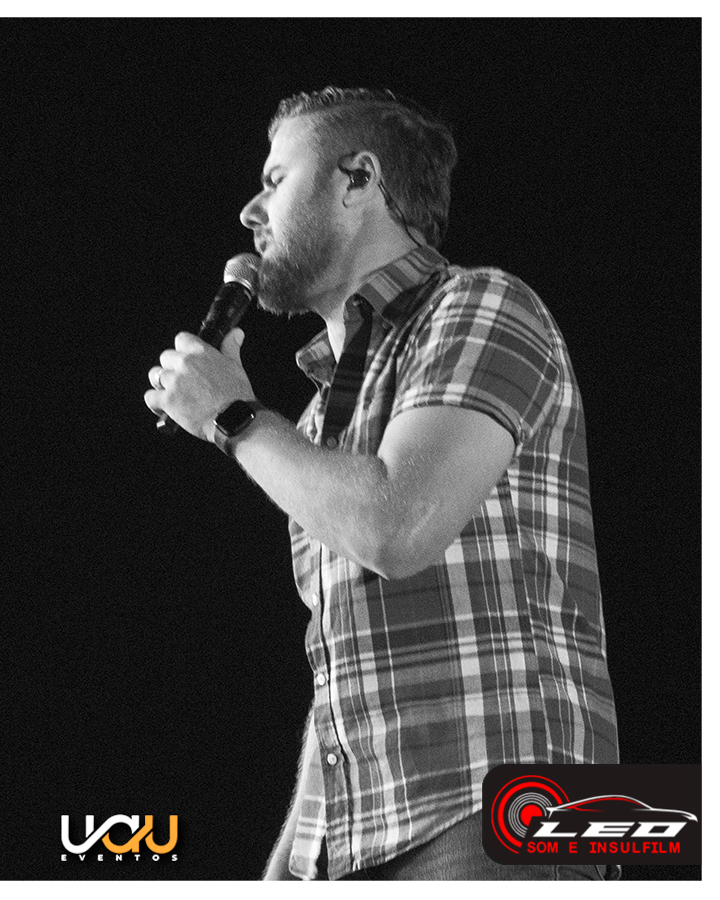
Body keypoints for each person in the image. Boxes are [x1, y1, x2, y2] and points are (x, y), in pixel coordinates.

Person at [143, 87, 618, 881]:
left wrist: (232, 415)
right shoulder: (315, 420)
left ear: (359, 179)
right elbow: (344, 665)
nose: (250, 212)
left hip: (509, 811)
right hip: (357, 843)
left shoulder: (480, 303)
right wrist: (290, 864)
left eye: (275, 179)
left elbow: (397, 529)